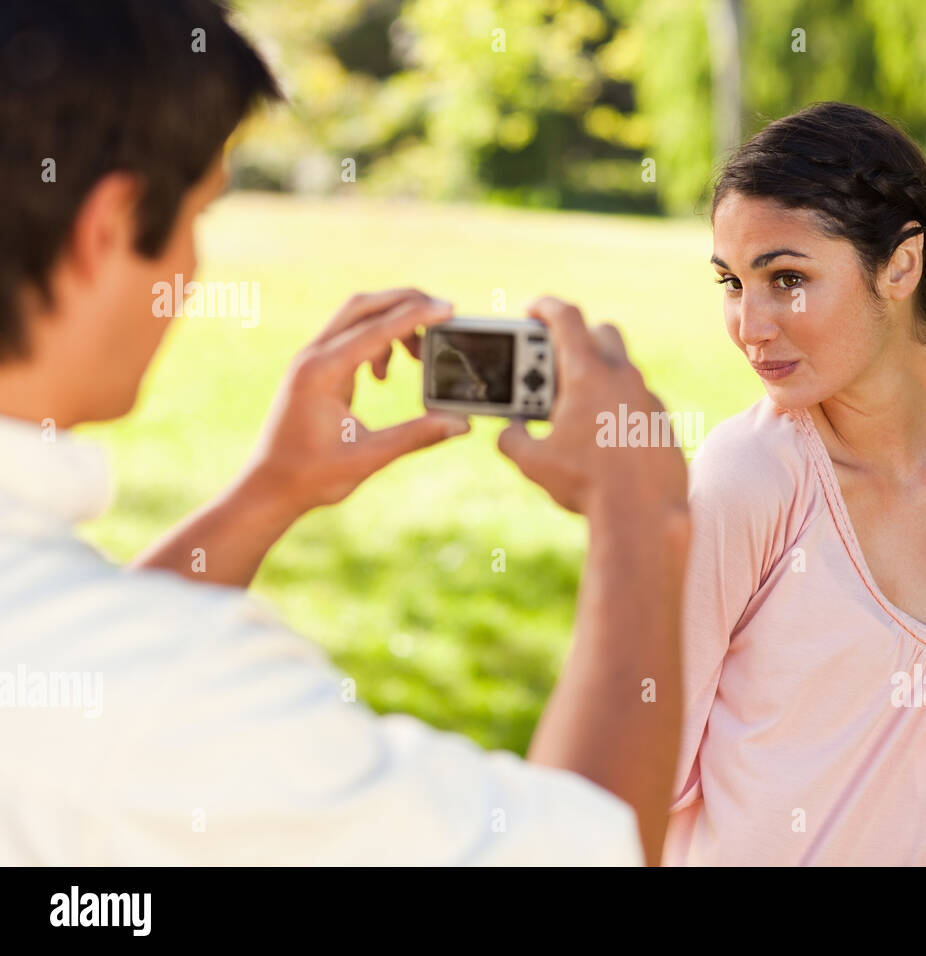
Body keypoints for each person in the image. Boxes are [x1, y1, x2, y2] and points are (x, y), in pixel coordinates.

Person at [0, 0, 689, 865]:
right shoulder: (182, 697)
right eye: (198, 218)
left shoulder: (88, 665)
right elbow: (591, 849)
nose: (192, 268)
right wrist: (642, 512)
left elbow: (76, 697)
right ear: (109, 227)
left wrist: (272, 490)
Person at [662, 102, 926, 865]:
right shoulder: (746, 479)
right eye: (732, 282)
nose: (750, 324)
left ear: (900, 266)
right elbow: (643, 778)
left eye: (786, 278)